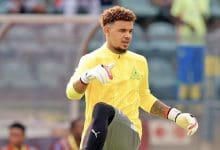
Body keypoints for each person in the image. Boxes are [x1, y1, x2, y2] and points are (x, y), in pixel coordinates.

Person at [66, 6, 198, 150]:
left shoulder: (139, 61)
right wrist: (85, 78)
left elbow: (145, 98)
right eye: (122, 30)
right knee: (102, 111)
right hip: (97, 138)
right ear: (107, 31)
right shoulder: (90, 60)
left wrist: (176, 116)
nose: (128, 35)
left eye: (130, 31)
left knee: (102, 109)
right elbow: (72, 94)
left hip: (128, 132)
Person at [171, 0, 209, 100]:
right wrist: (187, 24)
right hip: (185, 41)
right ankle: (182, 103)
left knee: (198, 71)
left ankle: (196, 103)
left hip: (200, 41)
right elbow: (175, 16)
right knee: (184, 71)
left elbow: (205, 17)